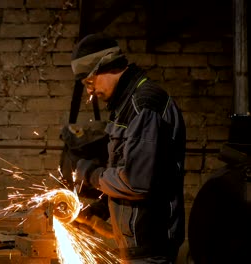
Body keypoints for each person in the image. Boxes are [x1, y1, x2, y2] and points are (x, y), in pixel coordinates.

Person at [70, 34, 186, 264]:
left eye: (89, 83)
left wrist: (92, 174)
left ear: (106, 66)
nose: (89, 93)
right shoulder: (125, 106)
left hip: (151, 249)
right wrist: (101, 210)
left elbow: (136, 182)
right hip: (138, 249)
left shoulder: (143, 106)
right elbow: (131, 167)